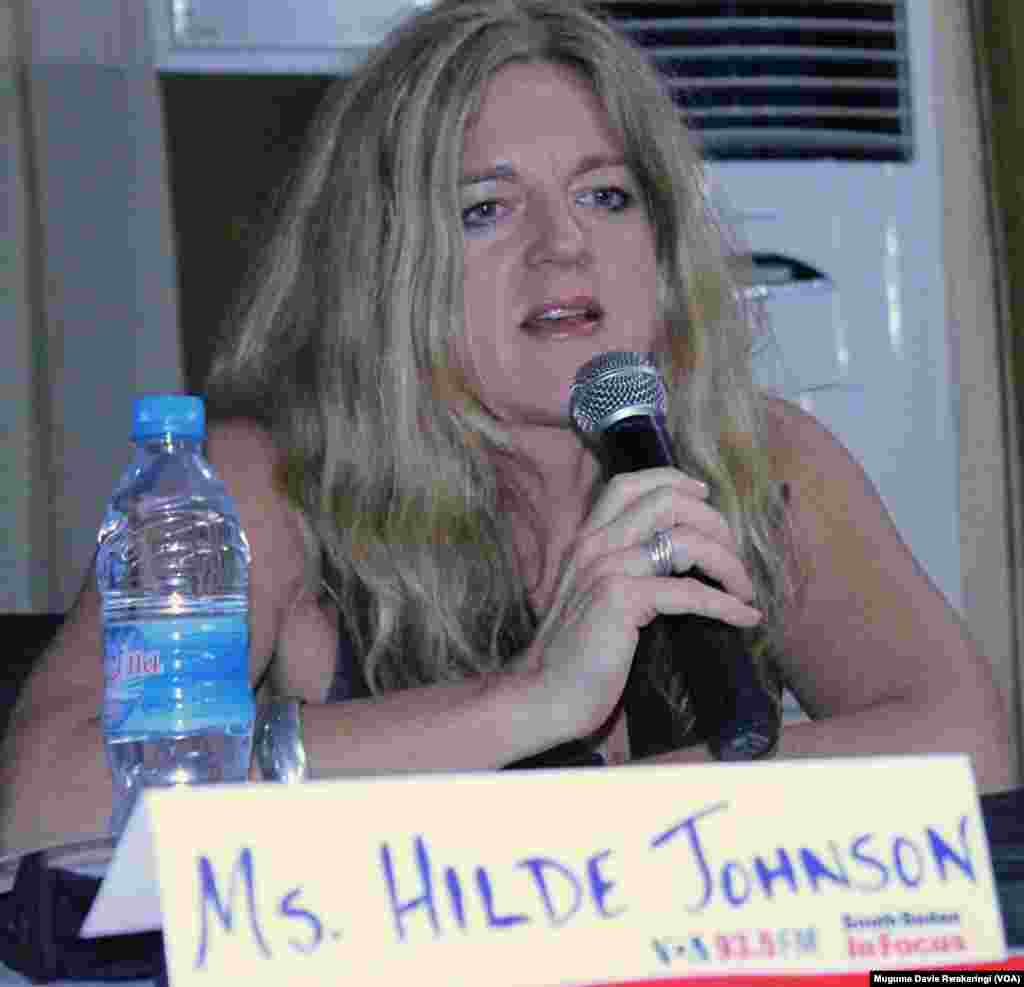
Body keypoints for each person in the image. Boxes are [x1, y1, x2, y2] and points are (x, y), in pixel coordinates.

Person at [1, 0, 1012, 856]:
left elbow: (968, 745)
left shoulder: (760, 455)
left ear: (662, 251)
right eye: (486, 209)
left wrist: (600, 818)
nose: (563, 245)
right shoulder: (254, 486)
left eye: (606, 196)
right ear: (384, 268)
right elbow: (45, 802)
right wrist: (528, 703)